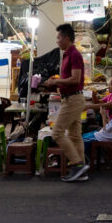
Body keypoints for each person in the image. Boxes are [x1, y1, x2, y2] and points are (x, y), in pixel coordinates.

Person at [42, 23, 89, 182]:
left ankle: (77, 164)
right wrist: (56, 81)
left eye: (58, 38)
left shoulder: (74, 54)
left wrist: (56, 82)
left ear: (66, 38)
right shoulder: (67, 54)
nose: (57, 41)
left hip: (73, 99)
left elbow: (75, 79)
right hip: (71, 98)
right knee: (75, 135)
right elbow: (69, 79)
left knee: (57, 132)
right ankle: (80, 171)